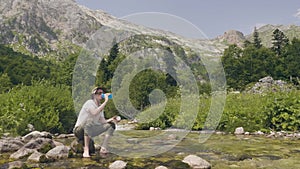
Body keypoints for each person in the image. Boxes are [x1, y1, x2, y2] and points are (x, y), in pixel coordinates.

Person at [73, 87, 118, 158]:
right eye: (99, 93)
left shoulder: (100, 107)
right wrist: (105, 102)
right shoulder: (89, 103)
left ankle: (104, 147)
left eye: (102, 93)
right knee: (89, 121)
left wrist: (111, 119)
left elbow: (102, 121)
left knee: (111, 125)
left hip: (90, 130)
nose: (102, 95)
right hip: (79, 130)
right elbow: (94, 113)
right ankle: (86, 149)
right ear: (94, 95)